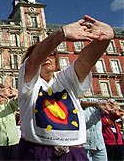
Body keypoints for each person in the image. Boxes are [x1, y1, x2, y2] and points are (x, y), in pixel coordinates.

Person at [17, 15, 114, 160]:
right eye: (44, 54)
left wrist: (103, 40)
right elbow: (33, 62)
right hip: (37, 150)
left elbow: (84, 62)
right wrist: (60, 34)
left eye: (52, 55)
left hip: (74, 152)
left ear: (56, 64)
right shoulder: (28, 83)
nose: (48, 56)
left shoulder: (65, 79)